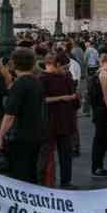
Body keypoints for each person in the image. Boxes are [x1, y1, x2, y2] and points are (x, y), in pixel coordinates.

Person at [0, 47, 47, 184]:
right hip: (36, 133)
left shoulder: (19, 85)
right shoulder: (37, 82)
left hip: (20, 135)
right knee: (31, 173)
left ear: (14, 63)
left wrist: (0, 137)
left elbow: (10, 116)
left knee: (19, 175)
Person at [42, 52, 80, 188]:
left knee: (66, 153)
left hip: (65, 120)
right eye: (65, 67)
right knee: (48, 155)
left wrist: (74, 97)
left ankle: (66, 181)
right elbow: (42, 100)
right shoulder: (43, 78)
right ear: (57, 65)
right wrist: (62, 98)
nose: (67, 70)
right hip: (50, 120)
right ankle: (47, 181)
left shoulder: (66, 77)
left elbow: (72, 95)